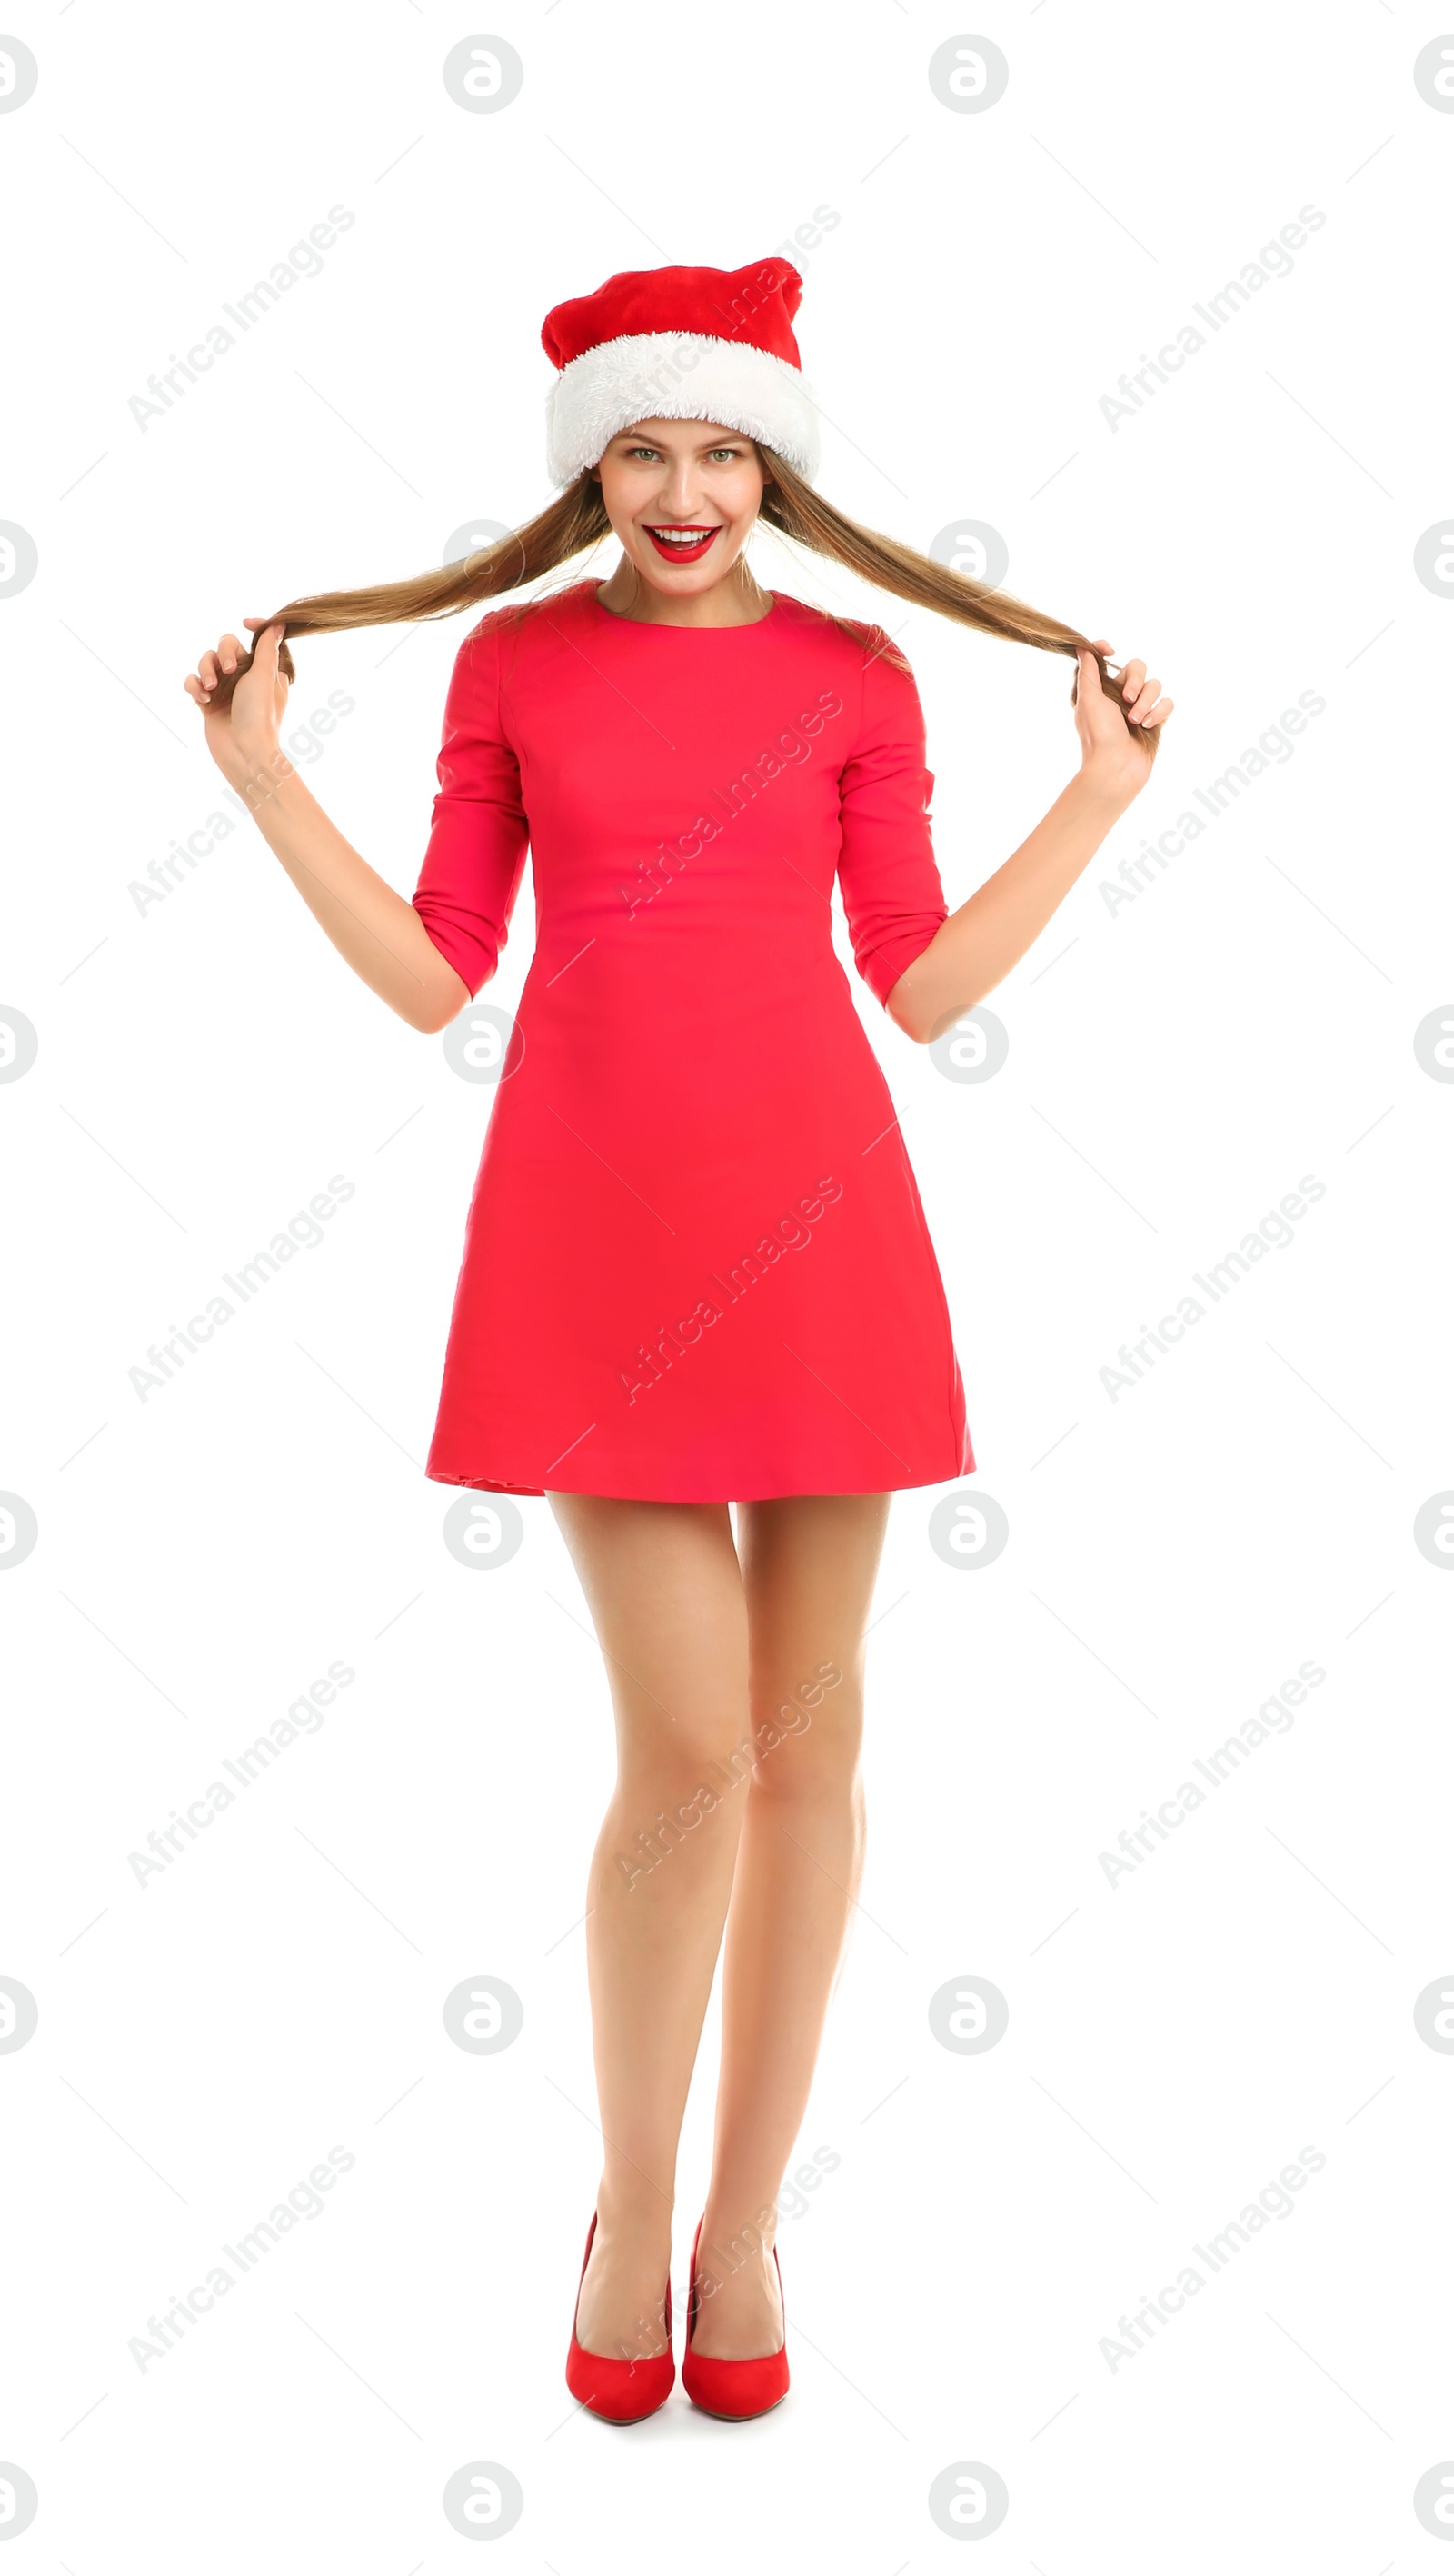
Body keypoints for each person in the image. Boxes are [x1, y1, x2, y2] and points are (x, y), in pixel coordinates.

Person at [183, 255, 1172, 2424]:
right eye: (646, 445)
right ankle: (628, 2212)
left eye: (721, 445)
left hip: (821, 1240)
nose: (686, 484)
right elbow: (444, 970)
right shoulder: (519, 664)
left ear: (774, 461)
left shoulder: (854, 672)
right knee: (692, 1755)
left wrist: (1093, 798)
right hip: (592, 1246)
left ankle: (744, 2229)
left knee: (813, 1756)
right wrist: (263, 781)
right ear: (590, 468)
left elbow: (912, 984)